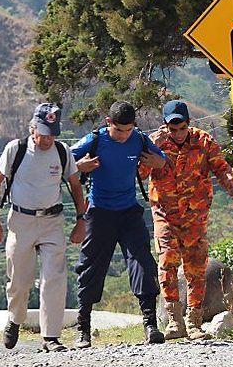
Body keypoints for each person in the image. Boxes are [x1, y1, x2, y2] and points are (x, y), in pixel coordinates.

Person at [69, 100, 169, 348]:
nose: (124, 136)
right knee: (91, 267)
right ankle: (83, 328)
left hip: (129, 211)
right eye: (118, 131)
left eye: (128, 130)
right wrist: (78, 167)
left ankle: (150, 325)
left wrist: (158, 162)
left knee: (143, 263)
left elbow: (162, 159)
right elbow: (63, 162)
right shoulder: (94, 140)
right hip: (100, 212)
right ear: (108, 123)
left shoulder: (140, 139)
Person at [139, 100, 233, 340]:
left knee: (196, 267)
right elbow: (140, 174)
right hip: (165, 214)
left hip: (195, 216)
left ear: (189, 124)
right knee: (167, 263)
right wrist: (152, 159)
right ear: (165, 126)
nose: (177, 134)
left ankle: (194, 322)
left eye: (181, 128)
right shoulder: (155, 143)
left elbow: (220, 166)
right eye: (172, 129)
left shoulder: (203, 141)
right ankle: (174, 321)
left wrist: (232, 187)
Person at [0, 103, 85, 352]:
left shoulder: (62, 152)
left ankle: (50, 337)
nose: (47, 139)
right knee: (20, 280)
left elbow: (75, 185)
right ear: (32, 128)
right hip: (21, 222)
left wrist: (81, 219)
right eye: (43, 133)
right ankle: (15, 319)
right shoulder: (16, 149)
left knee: (54, 276)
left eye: (52, 133)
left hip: (52, 221)